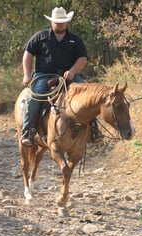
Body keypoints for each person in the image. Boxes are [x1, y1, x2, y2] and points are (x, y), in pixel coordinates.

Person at [21, 6, 103, 147]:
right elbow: (28, 54)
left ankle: (94, 130)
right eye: (57, 22)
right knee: (34, 97)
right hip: (44, 76)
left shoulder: (75, 40)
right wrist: (27, 75)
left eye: (63, 21)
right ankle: (28, 130)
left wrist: (72, 71)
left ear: (67, 22)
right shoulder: (40, 36)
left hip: (69, 76)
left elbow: (82, 58)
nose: (60, 24)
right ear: (52, 22)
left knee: (89, 95)